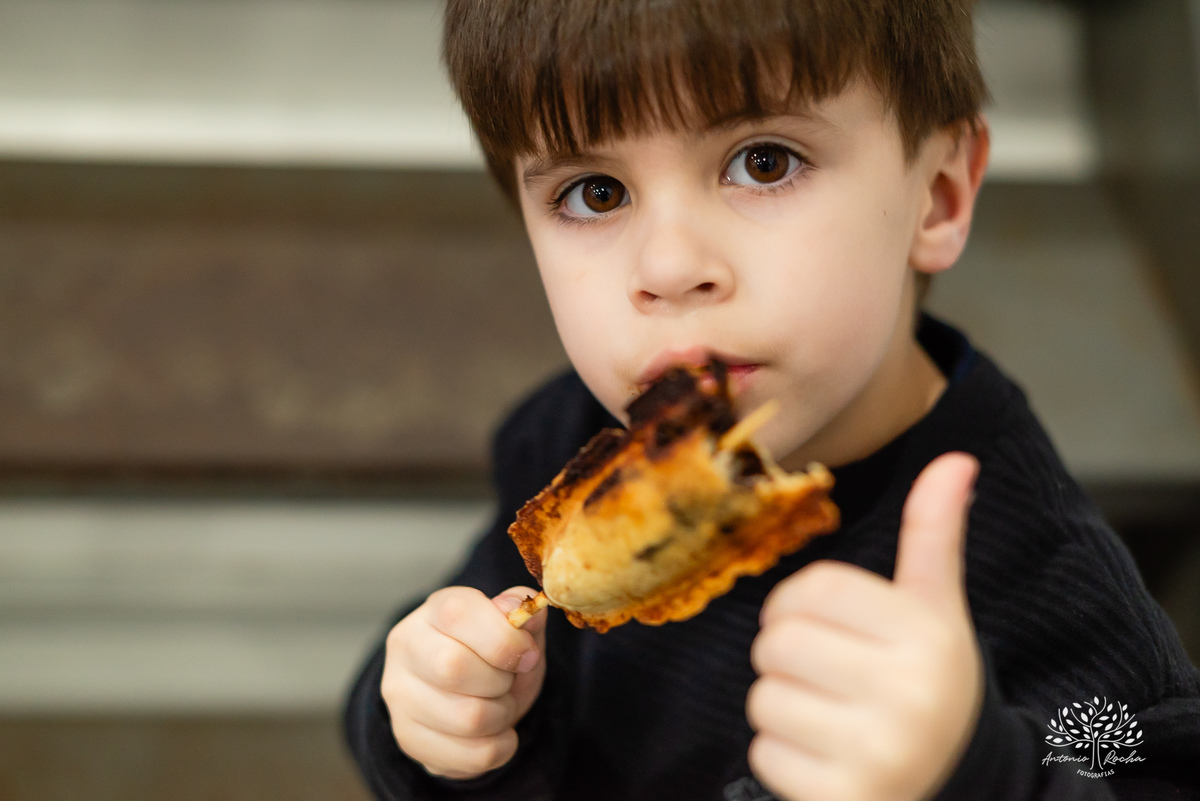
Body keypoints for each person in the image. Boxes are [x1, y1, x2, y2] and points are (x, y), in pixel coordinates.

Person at [344, 1, 1200, 799]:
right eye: (594, 192)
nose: (670, 266)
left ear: (935, 197)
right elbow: (463, 662)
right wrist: (443, 723)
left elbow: (1131, 766)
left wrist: (974, 767)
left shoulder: (1051, 585)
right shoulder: (568, 443)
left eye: (764, 162)